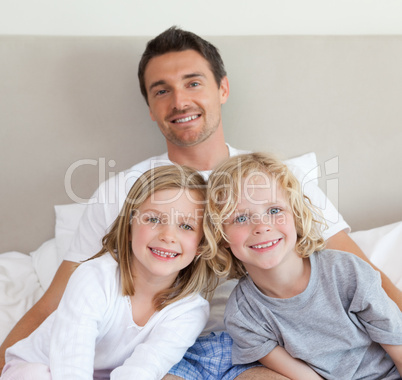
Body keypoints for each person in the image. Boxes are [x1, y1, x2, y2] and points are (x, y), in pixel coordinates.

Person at [1, 26, 401, 380]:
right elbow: (60, 299)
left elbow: (367, 276)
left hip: (264, 350)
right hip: (165, 353)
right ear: (151, 107)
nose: (179, 100)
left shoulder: (275, 183)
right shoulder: (125, 191)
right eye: (162, 90)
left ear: (222, 89)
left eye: (194, 83)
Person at [1, 165, 220, 379]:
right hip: (42, 366)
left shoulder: (190, 311)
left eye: (186, 226)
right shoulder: (94, 277)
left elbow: (143, 370)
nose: (168, 235)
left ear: (201, 245)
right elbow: (71, 364)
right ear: (129, 229)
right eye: (153, 219)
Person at [206, 152, 402, 380]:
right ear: (221, 236)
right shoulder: (243, 314)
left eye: (274, 210)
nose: (262, 226)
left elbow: (398, 349)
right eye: (240, 218)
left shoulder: (347, 272)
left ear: (296, 216)